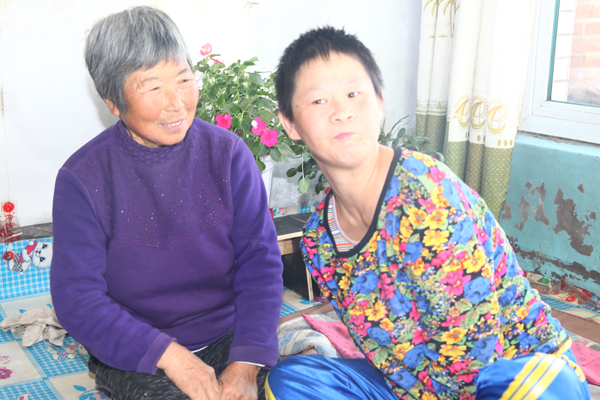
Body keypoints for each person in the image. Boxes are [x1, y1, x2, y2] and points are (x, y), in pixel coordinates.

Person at [265, 26, 591, 400]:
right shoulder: (319, 242)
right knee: (291, 382)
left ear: (379, 103)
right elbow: (379, 351)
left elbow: (475, 356)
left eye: (354, 94)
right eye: (319, 101)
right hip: (417, 387)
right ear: (290, 123)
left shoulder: (426, 198)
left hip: (513, 377)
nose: (342, 112)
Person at [50, 7, 283, 400]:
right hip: (139, 350)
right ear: (113, 101)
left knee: (295, 386)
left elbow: (259, 262)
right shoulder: (83, 179)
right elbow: (77, 298)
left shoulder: (228, 155)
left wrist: (246, 363)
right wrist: (171, 357)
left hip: (228, 335)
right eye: (152, 87)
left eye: (184, 79)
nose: (176, 103)